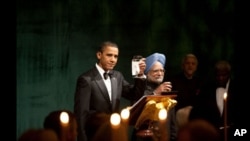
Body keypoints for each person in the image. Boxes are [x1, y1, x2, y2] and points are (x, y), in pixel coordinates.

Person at [73, 41, 146, 141]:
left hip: (113, 133)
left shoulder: (118, 76)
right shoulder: (86, 79)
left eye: (116, 56)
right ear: (99, 55)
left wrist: (140, 75)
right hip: (94, 136)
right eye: (109, 55)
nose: (113, 60)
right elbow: (81, 114)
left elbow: (134, 95)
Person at [131, 52, 178, 141]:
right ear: (147, 73)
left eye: (162, 70)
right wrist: (156, 93)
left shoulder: (166, 91)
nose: (160, 74)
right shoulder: (139, 90)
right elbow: (137, 114)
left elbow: (172, 124)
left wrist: (173, 137)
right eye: (156, 71)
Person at [189, 60, 239, 141]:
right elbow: (196, 113)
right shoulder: (206, 88)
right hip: (210, 136)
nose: (220, 78)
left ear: (229, 74)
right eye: (218, 75)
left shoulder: (237, 88)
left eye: (224, 75)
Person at [167, 54, 202, 127]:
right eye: (188, 63)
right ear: (182, 66)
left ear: (196, 67)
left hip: (195, 118)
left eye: (193, 64)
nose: (190, 66)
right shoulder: (174, 81)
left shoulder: (199, 82)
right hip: (178, 118)